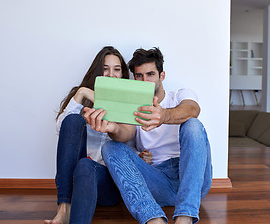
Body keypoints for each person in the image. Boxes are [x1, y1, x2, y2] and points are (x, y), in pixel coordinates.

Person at [84, 47, 212, 224]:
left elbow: (192, 109)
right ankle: (152, 219)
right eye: (139, 76)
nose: (145, 81)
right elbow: (125, 133)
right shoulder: (133, 107)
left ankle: (186, 216)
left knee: (193, 124)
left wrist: (164, 116)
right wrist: (113, 128)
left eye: (150, 74)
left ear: (162, 75)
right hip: (158, 181)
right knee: (110, 146)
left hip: (192, 179)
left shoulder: (180, 95)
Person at [44, 46, 152, 224]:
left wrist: (138, 157)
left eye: (117, 69)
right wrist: (82, 93)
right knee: (73, 121)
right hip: (74, 178)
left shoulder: (130, 104)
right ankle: (64, 210)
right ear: (97, 72)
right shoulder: (83, 97)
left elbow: (128, 136)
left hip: (105, 181)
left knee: (87, 165)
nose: (111, 74)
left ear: (123, 74)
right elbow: (62, 130)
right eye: (105, 68)